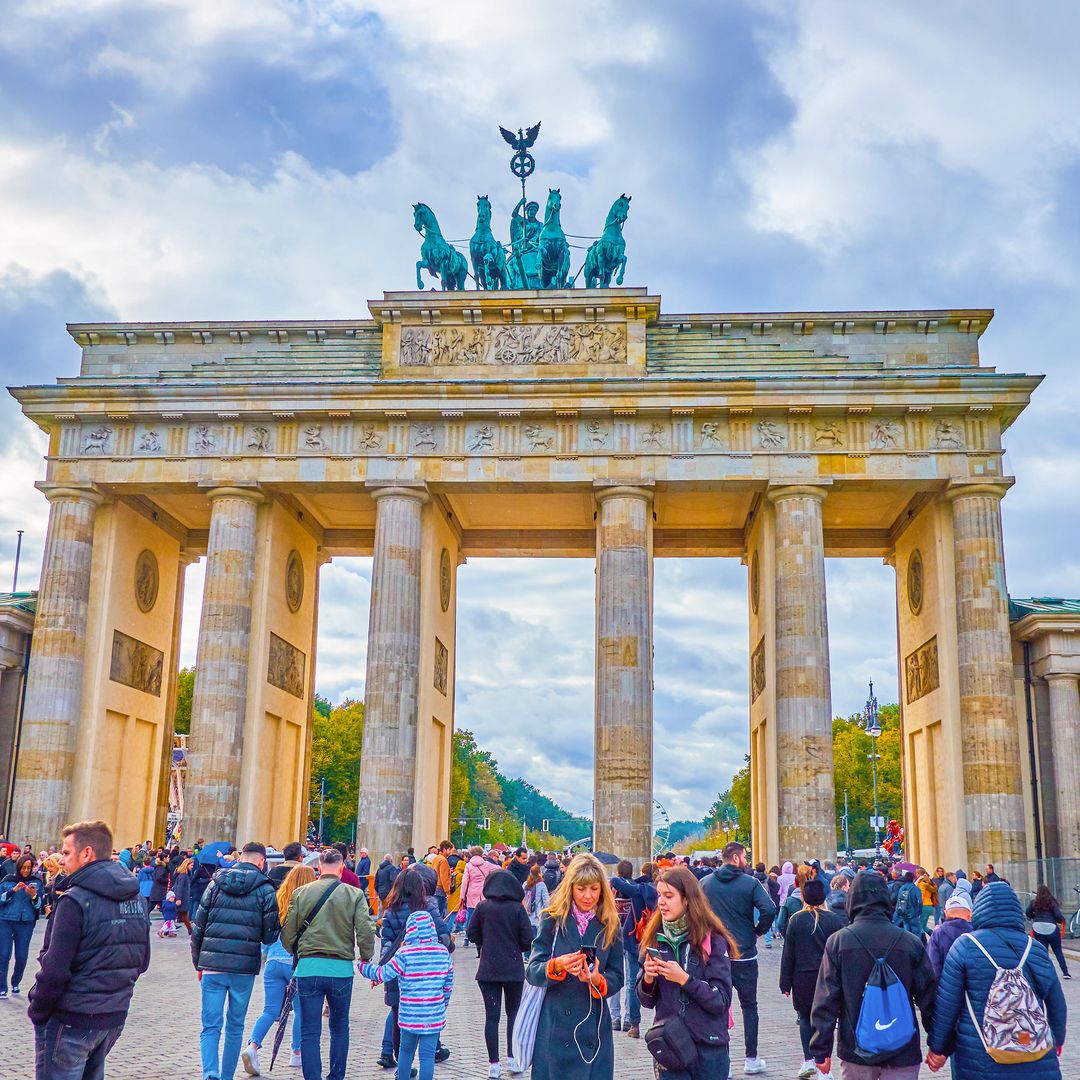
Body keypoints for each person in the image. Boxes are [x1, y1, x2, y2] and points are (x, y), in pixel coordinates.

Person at [29, 820, 150, 1078]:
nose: (61, 860)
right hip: (112, 1015)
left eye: (66, 852)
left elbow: (54, 971)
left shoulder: (74, 900)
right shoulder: (137, 899)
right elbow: (142, 961)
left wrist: (37, 1009)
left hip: (71, 1018)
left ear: (87, 853)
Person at [927, 882, 1066, 1077]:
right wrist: (1056, 1039)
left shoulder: (965, 946)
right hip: (1036, 1053)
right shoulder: (1034, 948)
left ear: (979, 910)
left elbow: (947, 1004)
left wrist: (938, 1047)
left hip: (980, 1056)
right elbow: (1056, 1001)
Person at [809, 870, 937, 1079]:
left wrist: (821, 1048)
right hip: (903, 1048)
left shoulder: (839, 941)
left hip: (857, 1049)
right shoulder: (910, 941)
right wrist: (937, 1043)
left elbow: (826, 999)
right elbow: (929, 997)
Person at [525, 853, 625, 1080]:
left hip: (593, 1025)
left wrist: (598, 980)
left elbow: (618, 975)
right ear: (570, 887)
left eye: (594, 889)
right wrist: (556, 965)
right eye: (581, 889)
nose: (588, 896)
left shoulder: (610, 923)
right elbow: (532, 970)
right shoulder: (552, 919)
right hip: (556, 1024)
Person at [280, 845, 375, 1080]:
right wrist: (366, 955)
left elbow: (288, 932)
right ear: (342, 868)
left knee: (310, 1031)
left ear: (319, 867)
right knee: (340, 1027)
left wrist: (298, 950)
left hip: (309, 967)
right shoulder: (354, 895)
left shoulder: (301, 893)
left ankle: (312, 1076)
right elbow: (365, 930)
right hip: (341, 969)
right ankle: (336, 1076)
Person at [636, 864, 736, 1080]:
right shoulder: (656, 938)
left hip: (709, 1046)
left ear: (687, 899)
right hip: (670, 1043)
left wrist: (685, 979)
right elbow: (645, 1000)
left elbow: (721, 1000)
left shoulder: (713, 941)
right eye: (659, 895)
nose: (661, 902)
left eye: (669, 896)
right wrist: (648, 978)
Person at [191, 841, 280, 1080]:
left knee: (210, 1026)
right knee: (235, 1026)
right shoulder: (265, 889)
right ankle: (227, 1076)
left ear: (241, 856)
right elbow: (271, 935)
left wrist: (198, 961)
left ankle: (211, 1074)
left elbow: (198, 926)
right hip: (243, 967)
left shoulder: (215, 883)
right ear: (262, 861)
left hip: (212, 964)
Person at [701, 841, 775, 1075]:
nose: (746, 860)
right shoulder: (750, 883)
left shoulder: (705, 883)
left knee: (718, 1007)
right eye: (744, 856)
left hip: (716, 954)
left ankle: (724, 1062)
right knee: (749, 1006)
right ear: (735, 858)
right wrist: (758, 930)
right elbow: (769, 909)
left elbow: (695, 912)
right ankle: (751, 1058)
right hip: (744, 953)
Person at [361, 910, 454, 1080]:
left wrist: (363, 966)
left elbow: (383, 974)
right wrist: (443, 1003)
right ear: (432, 928)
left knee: (405, 1052)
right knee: (427, 1057)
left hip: (409, 1015)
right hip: (433, 1015)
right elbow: (448, 985)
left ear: (409, 930)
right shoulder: (443, 952)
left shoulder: (404, 953)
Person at [242, 863, 316, 1075]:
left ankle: (252, 1046)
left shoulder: (278, 900)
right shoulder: (309, 902)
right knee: (301, 1010)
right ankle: (296, 1053)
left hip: (273, 962)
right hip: (297, 963)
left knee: (270, 1009)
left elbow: (266, 935)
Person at [375, 868, 452, 1071]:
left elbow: (386, 943)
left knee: (399, 1020)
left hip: (398, 968)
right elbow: (444, 937)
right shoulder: (429, 907)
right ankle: (430, 1053)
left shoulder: (390, 909)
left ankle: (403, 1069)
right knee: (426, 1018)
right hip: (426, 973)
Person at [467, 868, 534, 1078]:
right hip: (513, 969)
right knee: (513, 1015)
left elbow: (471, 933)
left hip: (488, 969)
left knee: (491, 1017)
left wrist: (484, 943)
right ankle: (513, 1059)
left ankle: (493, 1064)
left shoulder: (482, 907)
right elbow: (527, 939)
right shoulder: (517, 909)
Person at [779, 879, 844, 1078]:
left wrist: (785, 982)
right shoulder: (834, 920)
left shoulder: (796, 920)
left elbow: (788, 954)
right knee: (827, 1021)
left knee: (805, 1018)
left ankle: (808, 1060)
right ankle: (824, 1065)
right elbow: (840, 953)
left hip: (803, 977)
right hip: (828, 977)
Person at [608, 859, 658, 1038]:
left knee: (631, 981)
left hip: (634, 938)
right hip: (654, 941)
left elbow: (616, 881)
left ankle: (632, 1022)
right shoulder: (662, 892)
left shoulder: (640, 889)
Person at [0, 852, 44, 996]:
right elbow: (1, 899)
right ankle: (2, 987)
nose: (25, 871)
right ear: (18, 867)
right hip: (6, 920)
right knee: (4, 954)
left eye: (28, 868)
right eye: (23, 868)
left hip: (26, 922)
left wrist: (34, 896)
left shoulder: (36, 882)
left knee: (22, 956)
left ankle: (16, 982)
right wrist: (13, 890)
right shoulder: (8, 880)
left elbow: (39, 906)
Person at [1026, 884, 1071, 979]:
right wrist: (1059, 921)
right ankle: (1065, 972)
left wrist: (1035, 917)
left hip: (1038, 928)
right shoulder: (1052, 902)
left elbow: (1028, 913)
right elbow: (1058, 916)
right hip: (1051, 927)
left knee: (1043, 951)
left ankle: (1045, 973)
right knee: (1058, 951)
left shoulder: (1034, 902)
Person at [927, 892, 972, 978]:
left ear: (946, 913)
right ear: (969, 914)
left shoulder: (938, 934)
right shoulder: (975, 933)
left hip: (945, 985)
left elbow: (933, 966)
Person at [461, 845, 499, 935]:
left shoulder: (468, 866)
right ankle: (483, 933)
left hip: (472, 892)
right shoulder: (487, 865)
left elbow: (465, 882)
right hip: (484, 892)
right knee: (483, 914)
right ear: (482, 854)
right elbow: (499, 869)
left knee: (470, 915)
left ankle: (467, 936)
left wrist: (462, 896)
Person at [776, 865, 809, 936]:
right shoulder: (812, 898)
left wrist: (787, 936)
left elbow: (780, 924)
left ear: (795, 884)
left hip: (793, 933)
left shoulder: (788, 901)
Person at [893, 870, 924, 938]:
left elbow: (898, 899)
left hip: (903, 912)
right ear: (913, 879)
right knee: (916, 931)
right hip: (913, 912)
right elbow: (920, 901)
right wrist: (919, 911)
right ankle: (916, 946)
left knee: (906, 929)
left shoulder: (902, 888)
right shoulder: (915, 889)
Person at [524, 862, 550, 931]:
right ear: (539, 873)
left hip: (526, 915)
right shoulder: (541, 885)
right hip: (537, 916)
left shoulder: (525, 884)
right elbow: (546, 901)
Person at [431, 840, 453, 917]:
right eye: (449, 849)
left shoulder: (436, 858)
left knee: (435, 912)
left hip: (435, 886)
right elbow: (444, 877)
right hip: (441, 889)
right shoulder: (443, 860)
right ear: (444, 849)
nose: (450, 852)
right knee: (440, 913)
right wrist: (447, 892)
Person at [173, 856, 195, 935]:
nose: (192, 867)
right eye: (191, 865)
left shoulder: (185, 874)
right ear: (187, 865)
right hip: (182, 897)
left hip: (183, 897)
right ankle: (190, 929)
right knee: (181, 913)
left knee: (183, 913)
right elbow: (180, 887)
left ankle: (190, 929)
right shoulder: (183, 875)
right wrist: (178, 898)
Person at [374, 852, 399, 917]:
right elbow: (394, 881)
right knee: (389, 911)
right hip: (389, 893)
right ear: (391, 861)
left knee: (380, 910)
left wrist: (378, 891)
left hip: (381, 893)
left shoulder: (379, 869)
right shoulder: (392, 868)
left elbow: (375, 882)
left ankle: (379, 925)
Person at [917, 868, 939, 935]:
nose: (916, 875)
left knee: (921, 926)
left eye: (917, 873)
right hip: (929, 905)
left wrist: (918, 905)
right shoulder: (930, 882)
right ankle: (934, 936)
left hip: (924, 905)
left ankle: (925, 941)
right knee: (923, 926)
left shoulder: (921, 884)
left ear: (919, 874)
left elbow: (921, 895)